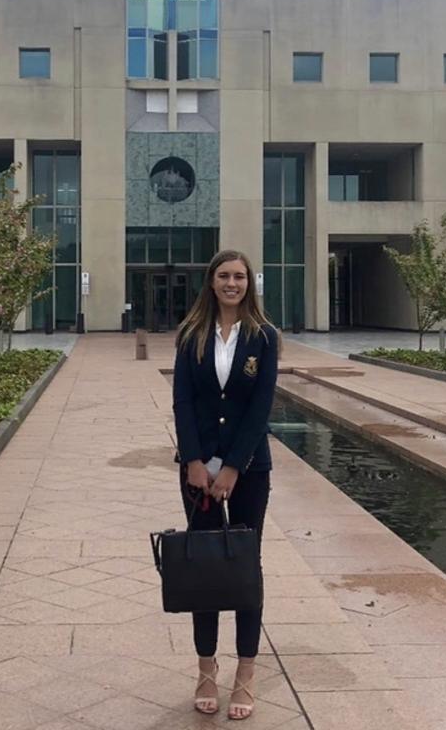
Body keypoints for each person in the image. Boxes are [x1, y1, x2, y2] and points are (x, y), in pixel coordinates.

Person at [172, 249, 279, 721]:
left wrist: (234, 466)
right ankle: (205, 669)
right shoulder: (191, 334)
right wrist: (194, 460)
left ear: (248, 283)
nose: (232, 283)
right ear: (211, 282)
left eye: (239, 276)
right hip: (197, 471)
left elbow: (260, 408)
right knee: (205, 567)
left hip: (249, 471)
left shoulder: (265, 337)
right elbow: (183, 401)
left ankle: (247, 674)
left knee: (244, 566)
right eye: (223, 276)